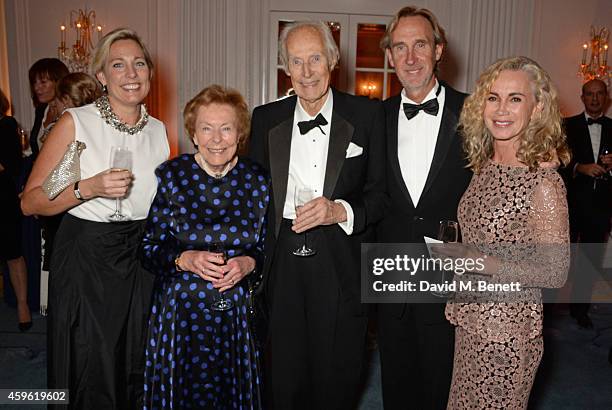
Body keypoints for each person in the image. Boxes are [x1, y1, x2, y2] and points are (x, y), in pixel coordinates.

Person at [21, 28, 169, 409]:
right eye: (118, 65)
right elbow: (32, 201)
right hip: (86, 256)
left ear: (150, 72)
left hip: (138, 258)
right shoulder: (77, 124)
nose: (131, 74)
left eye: (139, 64)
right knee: (89, 362)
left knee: (135, 358)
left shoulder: (158, 132)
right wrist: (88, 188)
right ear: (102, 76)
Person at [249, 21, 387, 409]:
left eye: (315, 58)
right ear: (285, 67)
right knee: (284, 374)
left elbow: (380, 196)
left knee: (337, 373)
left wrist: (337, 210)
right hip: (281, 263)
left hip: (340, 257)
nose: (307, 71)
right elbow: (251, 197)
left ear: (332, 60)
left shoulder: (368, 115)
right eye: (296, 61)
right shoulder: (264, 119)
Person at [440, 56, 570, 409]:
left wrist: (483, 262)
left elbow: (556, 272)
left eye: (515, 98)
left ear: (537, 107)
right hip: (468, 320)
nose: (502, 109)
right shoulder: (485, 166)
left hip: (507, 333)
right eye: (493, 97)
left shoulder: (543, 181)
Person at [140, 84, 269, 409]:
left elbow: (269, 248)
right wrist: (184, 258)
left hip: (235, 318)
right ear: (193, 134)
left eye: (226, 129)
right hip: (179, 317)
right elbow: (148, 248)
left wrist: (249, 263)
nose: (216, 138)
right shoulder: (172, 176)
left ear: (239, 134)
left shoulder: (258, 180)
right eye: (206, 129)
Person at [375, 6, 471, 409]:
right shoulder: (373, 117)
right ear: (390, 57)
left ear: (438, 50)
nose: (410, 57)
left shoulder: (474, 114)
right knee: (396, 387)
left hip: (448, 277)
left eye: (420, 45)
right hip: (390, 276)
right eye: (400, 47)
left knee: (443, 388)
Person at [564, 79, 611, 328]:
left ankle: (579, 310)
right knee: (561, 258)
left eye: (599, 94)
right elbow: (556, 162)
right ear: (582, 97)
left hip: (601, 206)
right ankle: (547, 308)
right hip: (569, 205)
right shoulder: (566, 126)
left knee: (590, 259)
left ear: (606, 97)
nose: (594, 98)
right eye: (590, 94)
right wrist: (579, 167)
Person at [0, 88, 32, 331]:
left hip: (3, 196)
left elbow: (12, 162)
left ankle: (22, 306)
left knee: (13, 252)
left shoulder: (6, 123)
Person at [27, 58, 69, 158]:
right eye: (34, 82)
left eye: (43, 82)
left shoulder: (70, 111)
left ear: (59, 82)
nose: (36, 88)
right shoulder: (41, 110)